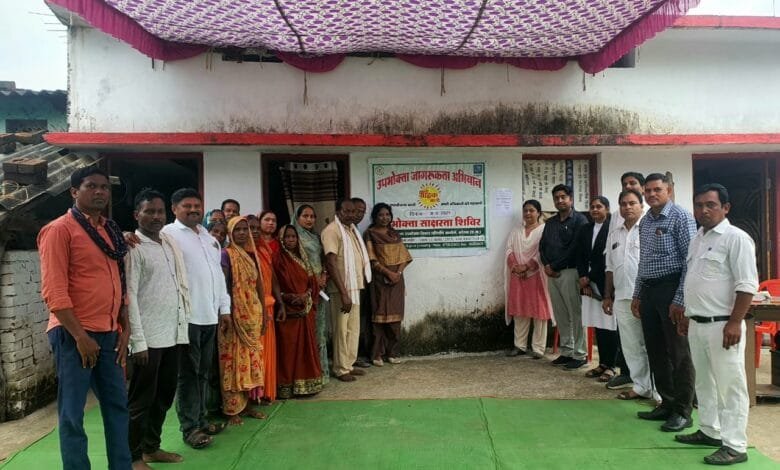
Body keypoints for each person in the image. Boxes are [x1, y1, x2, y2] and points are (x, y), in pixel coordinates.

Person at [38, 166, 132, 469]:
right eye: (91, 186)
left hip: (109, 333)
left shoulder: (110, 231)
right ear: (74, 192)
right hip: (73, 334)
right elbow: (54, 291)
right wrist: (80, 336)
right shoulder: (59, 230)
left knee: (118, 406)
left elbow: (119, 282)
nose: (100, 192)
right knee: (72, 413)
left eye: (105, 187)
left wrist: (125, 327)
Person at [674, 184, 757, 466]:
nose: (704, 210)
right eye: (699, 205)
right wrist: (688, 315)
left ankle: (735, 445)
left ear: (726, 207)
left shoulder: (737, 239)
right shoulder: (697, 238)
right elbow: (695, 280)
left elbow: (746, 285)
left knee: (730, 386)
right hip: (697, 323)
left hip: (723, 326)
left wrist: (735, 321)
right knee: (704, 381)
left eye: (710, 205)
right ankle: (710, 430)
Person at [161, 188, 231, 449]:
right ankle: (190, 428)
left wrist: (224, 309)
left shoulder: (208, 237)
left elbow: (218, 277)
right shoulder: (167, 234)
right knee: (188, 374)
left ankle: (201, 420)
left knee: (203, 372)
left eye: (196, 205)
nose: (193, 210)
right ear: (174, 209)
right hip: (186, 317)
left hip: (209, 316)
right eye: (186, 205)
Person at [126, 189, 190, 469]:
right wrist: (137, 342)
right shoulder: (133, 248)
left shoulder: (168, 241)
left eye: (160, 211)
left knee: (163, 396)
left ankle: (151, 447)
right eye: (149, 211)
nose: (156, 216)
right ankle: (132, 457)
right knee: (141, 401)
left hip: (173, 335)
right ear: (136, 215)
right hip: (148, 340)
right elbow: (129, 297)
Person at [631, 173, 697, 432]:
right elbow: (644, 260)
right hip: (649, 290)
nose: (651, 194)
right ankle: (667, 403)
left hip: (672, 288)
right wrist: (637, 294)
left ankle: (683, 410)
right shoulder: (646, 221)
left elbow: (690, 261)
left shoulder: (681, 217)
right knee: (656, 349)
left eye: (657, 189)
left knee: (678, 352)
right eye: (647, 190)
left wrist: (680, 299)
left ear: (668, 191)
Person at [603, 189, 658, 401]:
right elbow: (609, 267)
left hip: (646, 296)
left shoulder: (649, 229)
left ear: (641, 206)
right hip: (622, 297)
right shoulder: (614, 234)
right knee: (631, 345)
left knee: (652, 343)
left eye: (632, 203)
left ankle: (659, 392)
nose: (627, 207)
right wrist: (607, 296)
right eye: (623, 204)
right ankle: (641, 386)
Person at [219, 217, 269, 423]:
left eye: (244, 229)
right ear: (230, 233)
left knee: (251, 361)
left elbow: (259, 286)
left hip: (252, 315)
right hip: (233, 316)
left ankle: (248, 405)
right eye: (237, 229)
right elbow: (223, 285)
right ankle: (232, 410)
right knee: (232, 361)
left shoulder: (251, 255)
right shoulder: (226, 254)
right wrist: (226, 313)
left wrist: (263, 314)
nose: (241, 233)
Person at [322, 198, 372, 382]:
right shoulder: (332, 231)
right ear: (338, 212)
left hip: (354, 287)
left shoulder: (351, 230)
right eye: (347, 211)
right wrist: (343, 293)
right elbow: (331, 262)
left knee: (353, 328)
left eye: (354, 211)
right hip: (341, 289)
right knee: (341, 330)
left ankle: (349, 364)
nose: (352, 215)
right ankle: (340, 368)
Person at [540, 184, 589, 369]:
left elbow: (575, 248)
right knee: (560, 314)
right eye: (556, 198)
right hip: (551, 274)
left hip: (569, 271)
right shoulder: (551, 222)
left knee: (575, 313)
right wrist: (547, 265)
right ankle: (567, 351)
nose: (560, 200)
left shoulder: (580, 220)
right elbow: (542, 246)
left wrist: (554, 266)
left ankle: (580, 354)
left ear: (571, 199)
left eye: (563, 197)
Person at [273, 225, 324, 398]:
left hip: (305, 310)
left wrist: (306, 295)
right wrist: (288, 297)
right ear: (281, 239)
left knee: (305, 349)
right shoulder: (277, 259)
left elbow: (312, 283)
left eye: (293, 236)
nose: (290, 240)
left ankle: (307, 383)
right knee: (288, 350)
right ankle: (286, 386)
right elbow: (274, 285)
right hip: (287, 312)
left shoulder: (303, 258)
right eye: (287, 237)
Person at [577, 196, 622, 380]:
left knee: (610, 325)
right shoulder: (585, 229)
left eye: (599, 206)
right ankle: (602, 363)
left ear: (607, 209)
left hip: (605, 284)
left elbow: (606, 258)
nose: (595, 210)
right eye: (592, 207)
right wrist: (583, 277)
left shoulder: (612, 229)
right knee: (598, 324)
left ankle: (612, 366)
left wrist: (590, 277)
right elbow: (579, 255)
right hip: (588, 284)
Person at [364, 203, 412, 366]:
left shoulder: (394, 234)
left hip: (397, 281)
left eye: (387, 215)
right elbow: (372, 260)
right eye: (380, 215)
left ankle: (392, 352)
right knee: (379, 317)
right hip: (379, 281)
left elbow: (405, 257)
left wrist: (398, 273)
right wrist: (388, 273)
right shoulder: (370, 234)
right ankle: (377, 354)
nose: (384, 218)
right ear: (374, 217)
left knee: (395, 319)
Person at [504, 199, 552, 359]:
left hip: (537, 275)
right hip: (517, 276)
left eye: (531, 210)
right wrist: (515, 267)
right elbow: (509, 250)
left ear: (539, 213)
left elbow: (543, 251)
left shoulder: (544, 230)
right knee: (520, 311)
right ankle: (520, 346)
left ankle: (538, 348)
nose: (528, 213)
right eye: (525, 210)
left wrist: (527, 266)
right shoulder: (516, 231)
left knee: (539, 312)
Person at [292, 204, 331, 384]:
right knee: (305, 332)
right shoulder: (293, 238)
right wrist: (313, 280)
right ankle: (307, 374)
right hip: (304, 289)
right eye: (305, 216)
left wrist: (323, 276)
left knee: (319, 330)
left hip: (320, 290)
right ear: (297, 218)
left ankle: (321, 372)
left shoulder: (315, 237)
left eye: (312, 216)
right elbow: (297, 264)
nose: (309, 219)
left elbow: (323, 260)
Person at [250, 213, 285, 403]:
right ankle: (253, 395)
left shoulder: (264, 249)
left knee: (267, 352)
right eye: (251, 228)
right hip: (251, 310)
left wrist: (280, 303)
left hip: (269, 307)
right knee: (255, 353)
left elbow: (273, 279)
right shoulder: (241, 252)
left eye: (257, 228)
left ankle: (266, 391)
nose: (255, 232)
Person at [352, 197, 373, 369]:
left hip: (362, 282)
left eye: (362, 211)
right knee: (350, 323)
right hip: (350, 284)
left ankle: (357, 354)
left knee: (359, 320)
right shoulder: (345, 230)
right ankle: (352, 357)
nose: (359, 214)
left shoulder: (357, 230)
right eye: (357, 210)